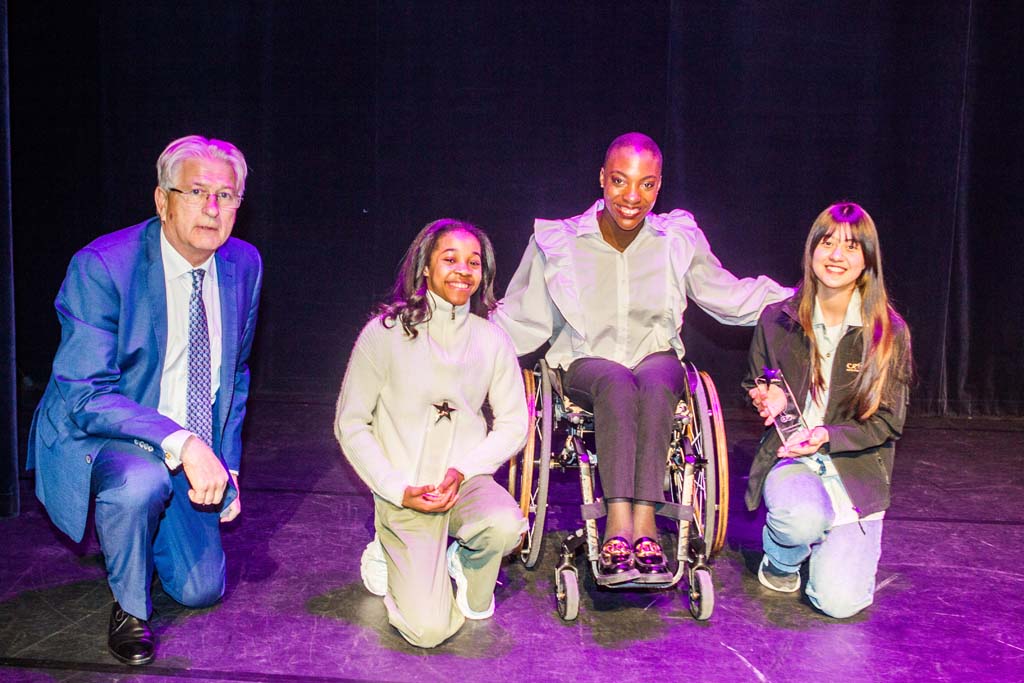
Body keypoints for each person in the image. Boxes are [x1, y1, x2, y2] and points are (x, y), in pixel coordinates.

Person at [492, 132, 792, 584]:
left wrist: (800, 299)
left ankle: (646, 524)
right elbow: (523, 316)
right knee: (615, 381)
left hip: (655, 359)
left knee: (653, 380)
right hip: (588, 362)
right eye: (620, 181)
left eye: (646, 184)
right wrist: (464, 337)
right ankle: (618, 524)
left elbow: (726, 295)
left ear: (658, 186)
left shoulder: (675, 239)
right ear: (602, 178)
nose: (632, 197)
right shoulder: (560, 242)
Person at [27, 135, 262, 665]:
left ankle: (135, 535)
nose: (212, 207)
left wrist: (226, 462)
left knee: (201, 590)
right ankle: (129, 606)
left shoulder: (244, 264)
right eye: (196, 191)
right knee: (141, 482)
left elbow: (236, 372)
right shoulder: (103, 266)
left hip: (187, 439)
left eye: (226, 195)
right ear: (162, 200)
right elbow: (87, 393)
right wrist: (185, 443)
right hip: (103, 432)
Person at [334, 219, 528, 648]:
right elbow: (350, 422)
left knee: (505, 525)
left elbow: (515, 423)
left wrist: (464, 470)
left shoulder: (492, 339)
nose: (463, 270)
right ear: (425, 267)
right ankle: (389, 550)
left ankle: (462, 561)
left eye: (473, 262)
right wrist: (395, 488)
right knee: (427, 631)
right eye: (450, 259)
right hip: (405, 492)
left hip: (464, 486)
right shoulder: (384, 333)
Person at [744, 202, 912, 618]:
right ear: (811, 250)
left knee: (839, 604)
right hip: (792, 459)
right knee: (800, 519)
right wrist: (767, 394)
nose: (837, 255)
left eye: (851, 246)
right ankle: (783, 559)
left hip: (856, 471)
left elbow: (888, 421)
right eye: (828, 243)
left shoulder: (889, 333)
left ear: (867, 260)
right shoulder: (777, 319)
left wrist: (826, 436)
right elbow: (756, 380)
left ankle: (834, 540)